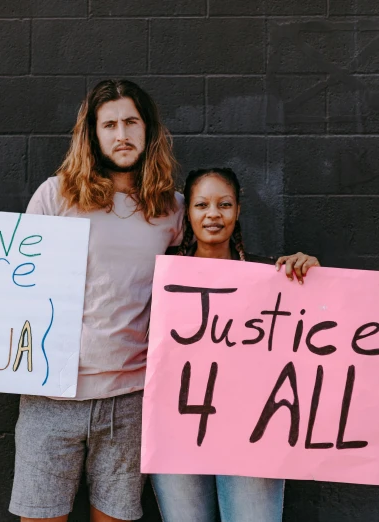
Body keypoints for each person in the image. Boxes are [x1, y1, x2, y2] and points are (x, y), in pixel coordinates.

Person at [0, 79, 185, 522]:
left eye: (131, 122)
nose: (121, 134)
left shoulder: (171, 209)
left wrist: (290, 269)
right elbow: (4, 288)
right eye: (109, 124)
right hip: (49, 397)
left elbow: (222, 271)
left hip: (130, 399)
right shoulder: (56, 196)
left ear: (149, 130)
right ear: (92, 134)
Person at [151, 167, 320, 522]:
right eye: (202, 205)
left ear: (238, 211)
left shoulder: (270, 276)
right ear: (188, 213)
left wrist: (312, 278)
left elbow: (317, 333)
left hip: (252, 434)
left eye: (224, 204)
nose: (213, 214)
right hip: (179, 432)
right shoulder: (162, 277)